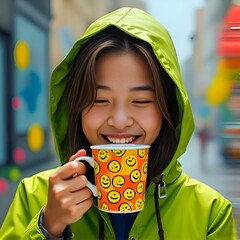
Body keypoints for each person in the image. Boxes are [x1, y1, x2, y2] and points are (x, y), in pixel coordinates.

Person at [0, 7, 237, 240]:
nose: (120, 121)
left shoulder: (211, 213)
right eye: (100, 99)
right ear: (76, 107)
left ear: (169, 110)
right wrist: (49, 227)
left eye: (141, 100)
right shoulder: (32, 196)